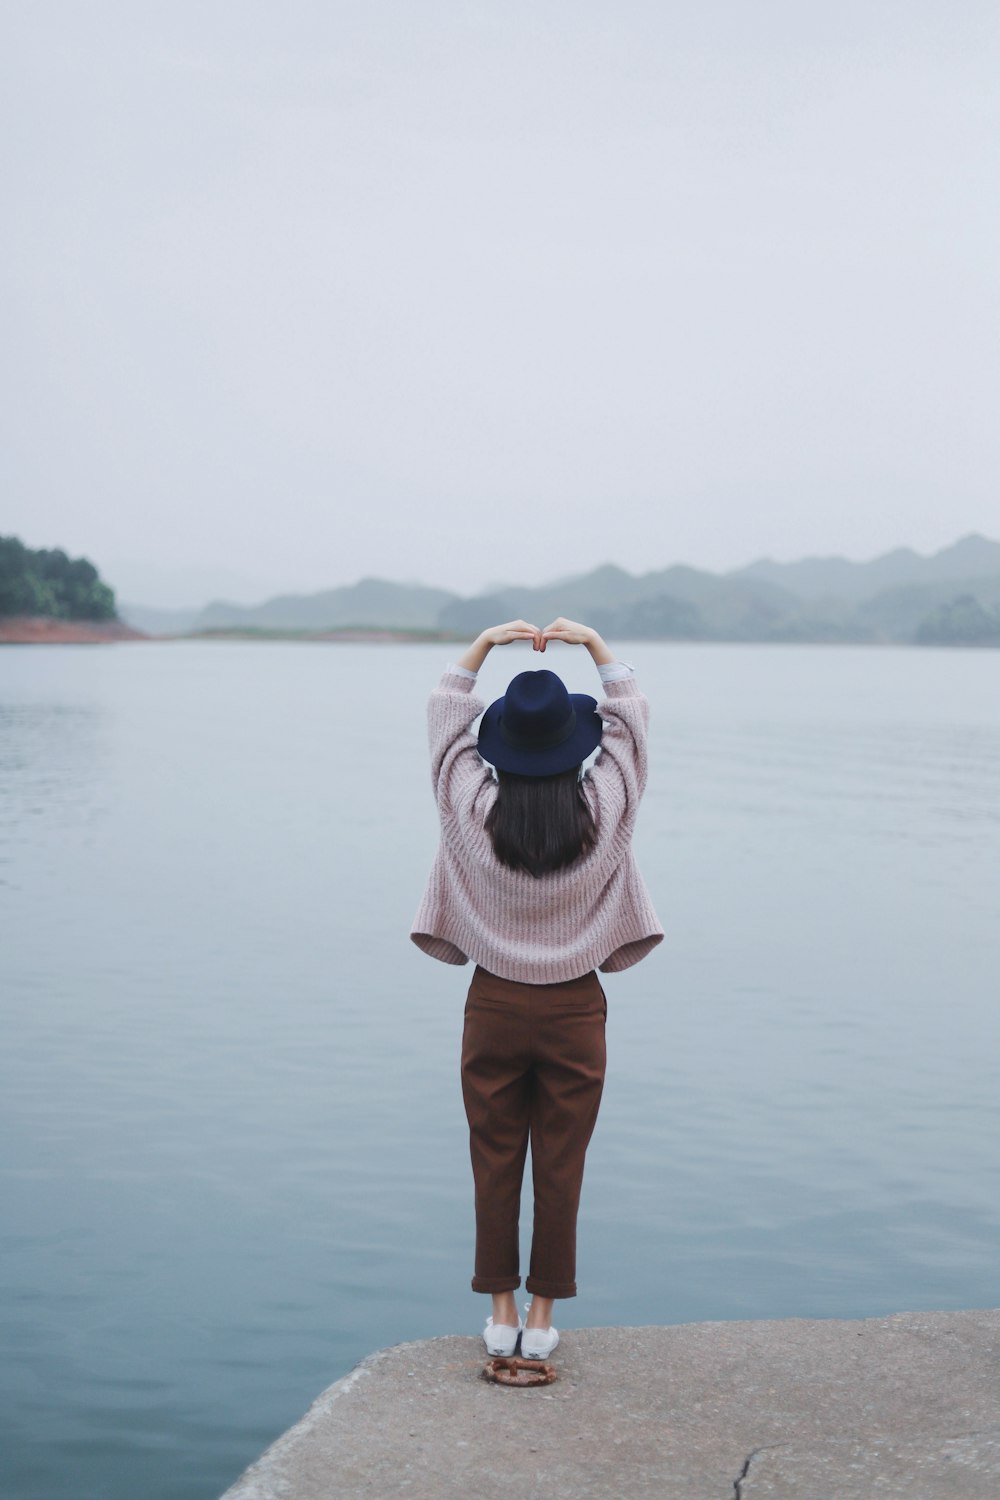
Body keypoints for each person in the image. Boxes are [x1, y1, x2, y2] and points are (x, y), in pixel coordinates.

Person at [411, 617, 663, 1360]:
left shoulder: (470, 813)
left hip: (492, 1004)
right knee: (561, 1160)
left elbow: (444, 722)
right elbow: (633, 729)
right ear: (575, 747)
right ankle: (544, 1319)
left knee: (493, 1154)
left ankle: (498, 1311)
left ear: (501, 750)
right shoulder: (607, 812)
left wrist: (484, 647)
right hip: (575, 1008)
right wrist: (596, 649)